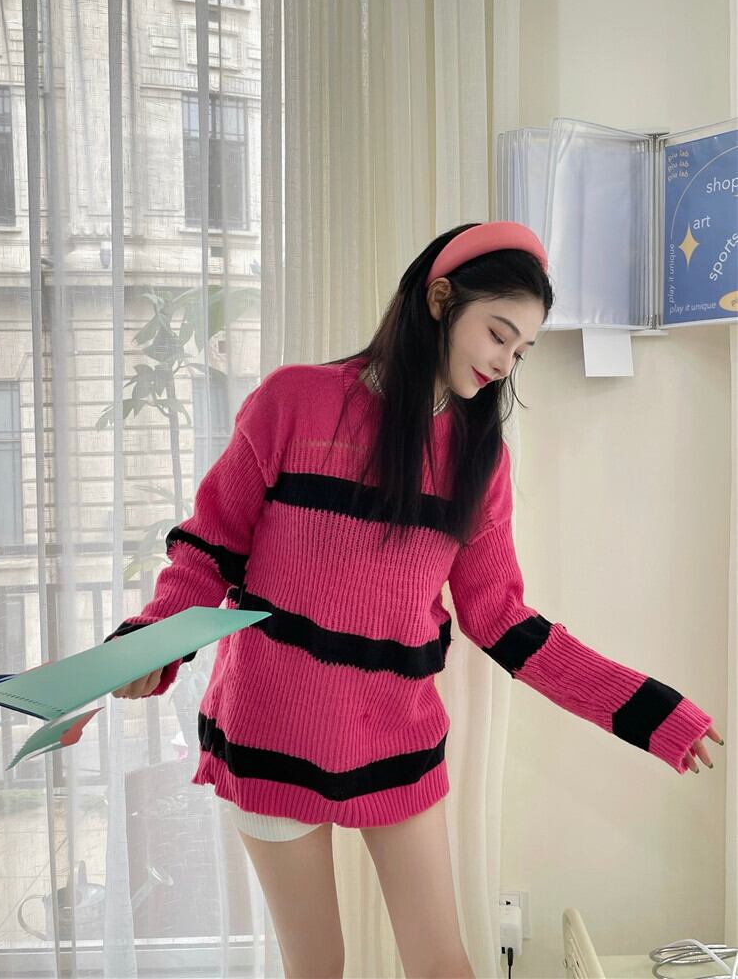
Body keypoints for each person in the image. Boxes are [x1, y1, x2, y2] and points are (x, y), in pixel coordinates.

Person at [108, 221, 723, 979]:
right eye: (498, 334)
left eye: (521, 351)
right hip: (271, 723)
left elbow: (503, 620)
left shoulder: (477, 459)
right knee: (317, 967)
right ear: (439, 299)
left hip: (393, 734)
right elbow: (209, 548)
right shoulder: (294, 402)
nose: (504, 363)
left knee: (442, 964)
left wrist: (645, 708)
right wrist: (150, 642)